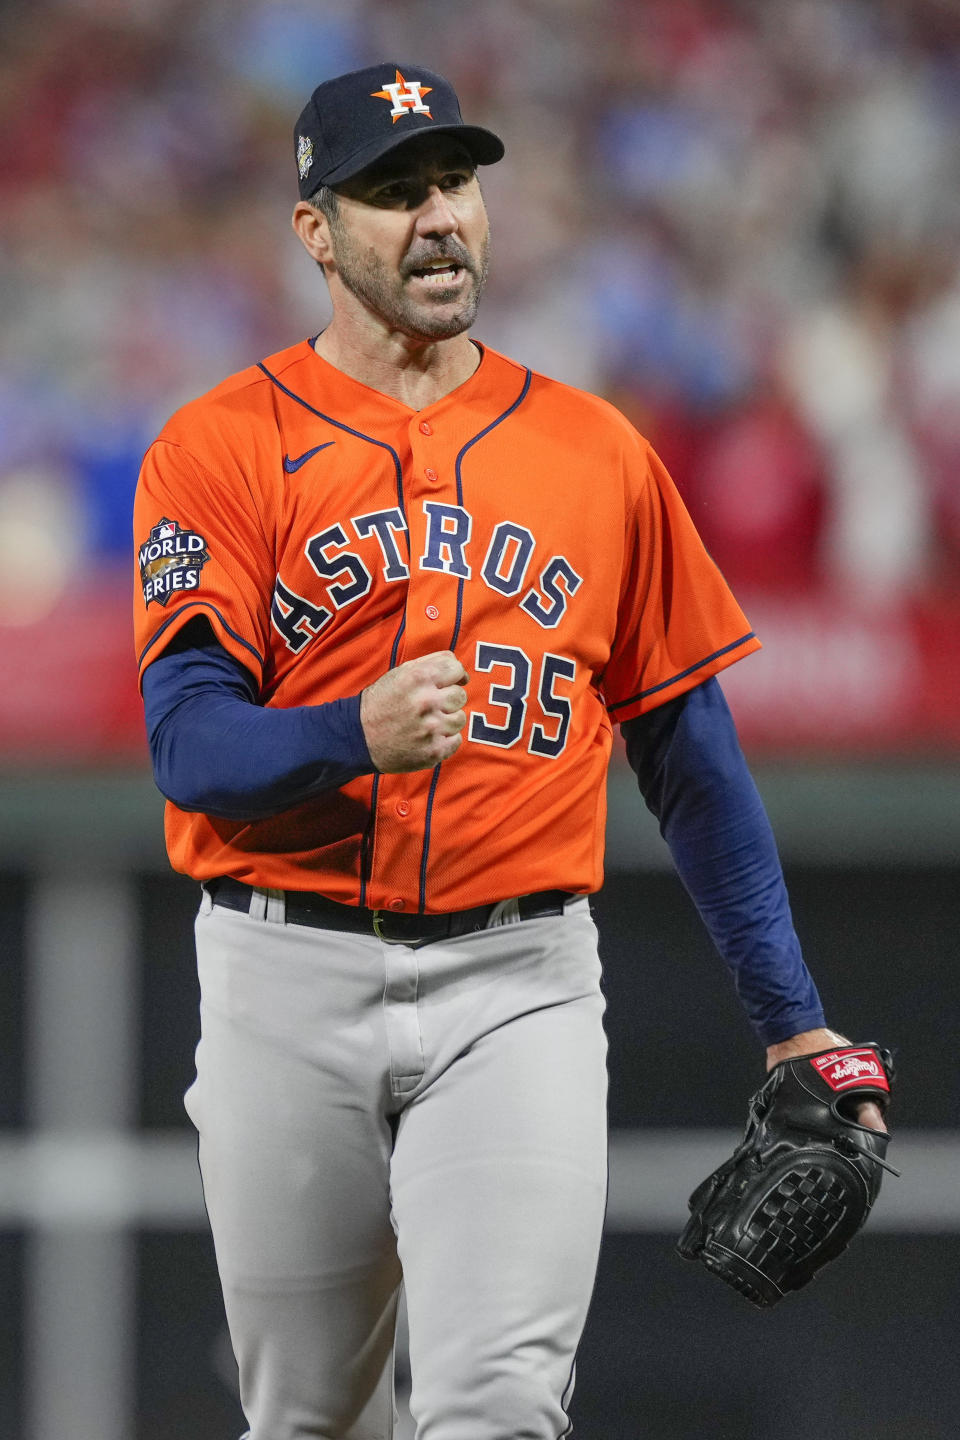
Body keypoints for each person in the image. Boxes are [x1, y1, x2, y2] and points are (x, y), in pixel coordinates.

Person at [133, 62, 885, 1440]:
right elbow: (189, 749)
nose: (436, 220)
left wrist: (794, 1016)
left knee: (499, 1407)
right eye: (390, 193)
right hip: (281, 974)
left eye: (454, 184)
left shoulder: (598, 455)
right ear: (315, 231)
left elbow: (691, 755)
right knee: (305, 1417)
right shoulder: (218, 446)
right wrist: (350, 733)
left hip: (517, 983)